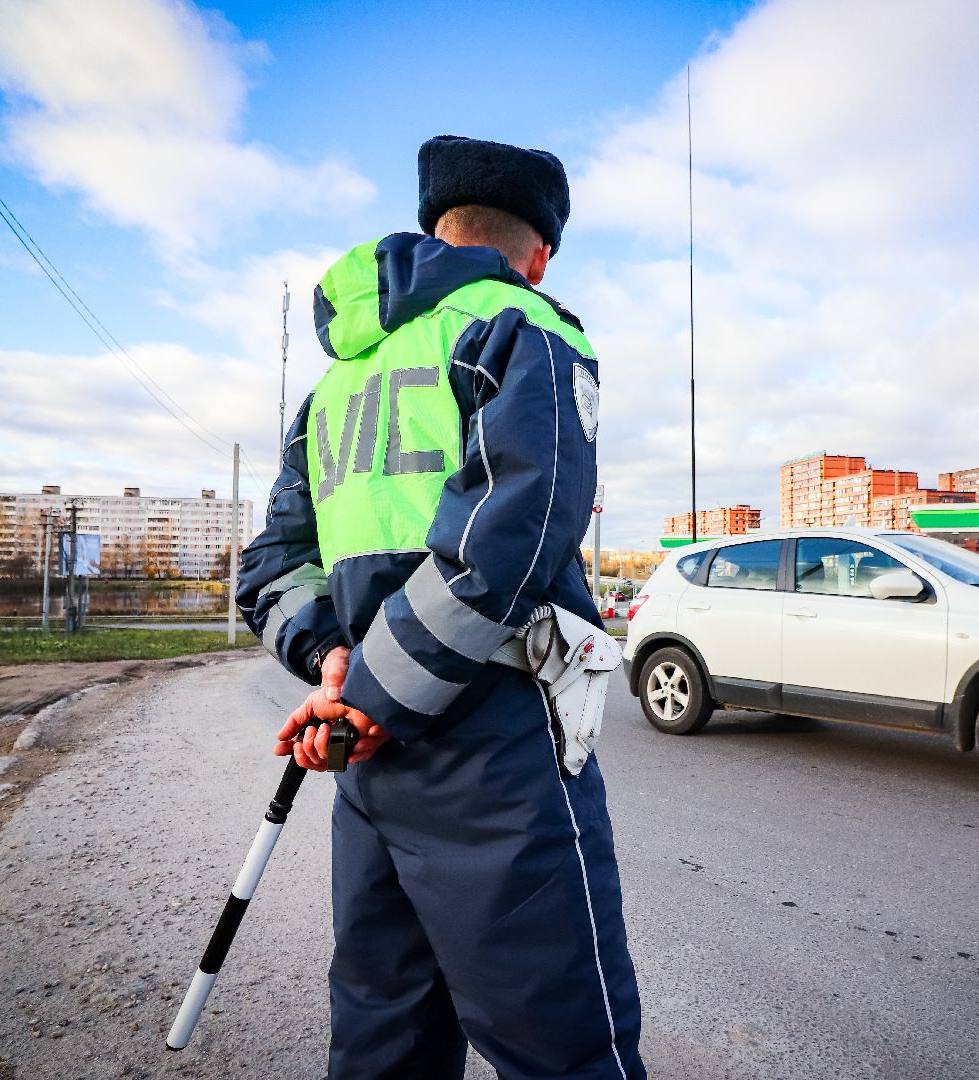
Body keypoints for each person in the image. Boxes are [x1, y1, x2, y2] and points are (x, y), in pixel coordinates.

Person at [236, 135, 645, 1080]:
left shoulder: (334, 384)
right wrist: (372, 693)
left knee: (386, 1032)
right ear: (538, 250)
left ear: (438, 232)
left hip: (367, 764)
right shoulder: (521, 324)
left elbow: (273, 563)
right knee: (565, 1043)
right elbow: (518, 531)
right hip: (493, 748)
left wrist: (333, 667)